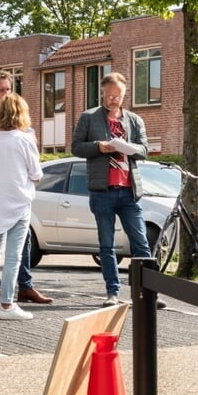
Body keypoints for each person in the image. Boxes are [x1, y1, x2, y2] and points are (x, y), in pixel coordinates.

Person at [70, 71, 151, 305]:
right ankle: (112, 292)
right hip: (102, 190)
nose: (114, 99)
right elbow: (76, 147)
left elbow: (145, 150)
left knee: (141, 243)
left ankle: (146, 293)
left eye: (118, 95)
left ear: (124, 95)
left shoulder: (134, 120)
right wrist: (99, 147)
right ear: (102, 93)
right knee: (107, 245)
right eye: (110, 95)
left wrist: (129, 147)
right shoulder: (89, 118)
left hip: (129, 191)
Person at [0, 71, 51, 306]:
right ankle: (1, 294)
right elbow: (18, 145)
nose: (7, 94)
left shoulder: (3, 133)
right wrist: (22, 134)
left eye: (9, 89)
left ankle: (21, 286)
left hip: (1, 181)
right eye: (1, 90)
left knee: (19, 238)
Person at [0, 92, 41, 320]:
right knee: (14, 255)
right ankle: (7, 304)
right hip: (19, 200)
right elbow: (36, 173)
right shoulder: (24, 139)